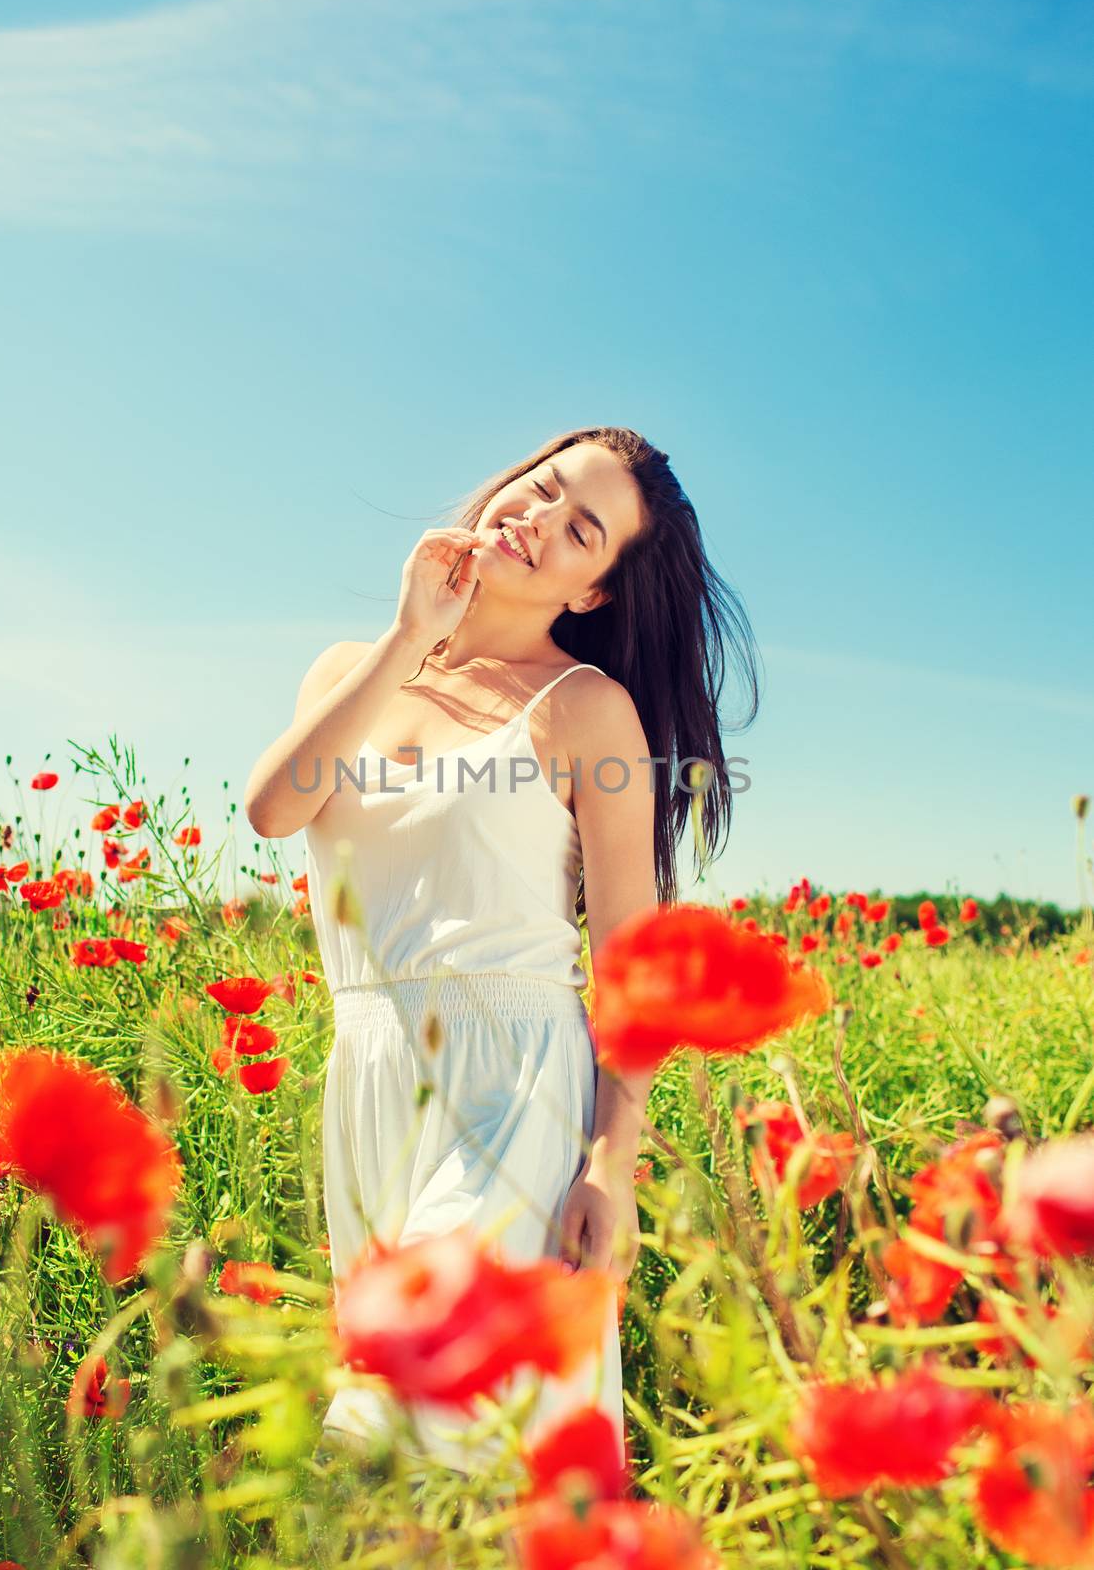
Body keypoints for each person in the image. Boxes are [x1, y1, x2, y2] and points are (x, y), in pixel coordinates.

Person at [244, 426, 759, 1476]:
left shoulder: (584, 709)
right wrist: (406, 635)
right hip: (374, 1081)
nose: (539, 520)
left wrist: (608, 1166)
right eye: (543, 488)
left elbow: (631, 962)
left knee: (401, 1413)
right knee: (435, 1480)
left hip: (515, 1085)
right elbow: (272, 808)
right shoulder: (353, 670)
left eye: (581, 531)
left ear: (592, 592)